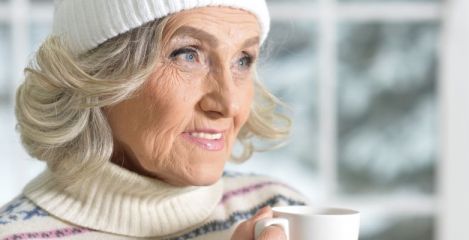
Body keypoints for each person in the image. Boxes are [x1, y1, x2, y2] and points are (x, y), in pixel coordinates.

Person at [0, 1, 306, 239]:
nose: (228, 103)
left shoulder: (284, 212)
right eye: (187, 54)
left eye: (243, 60)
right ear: (98, 75)